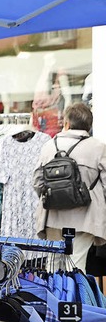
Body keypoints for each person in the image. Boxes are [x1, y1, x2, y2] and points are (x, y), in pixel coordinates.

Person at [33, 103, 106, 273]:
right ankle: (73, 299)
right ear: (89, 125)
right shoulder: (98, 148)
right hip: (86, 216)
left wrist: (55, 198)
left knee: (52, 264)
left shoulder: (49, 146)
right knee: (76, 264)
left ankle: (53, 297)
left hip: (53, 215)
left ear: (66, 123)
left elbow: (37, 181)